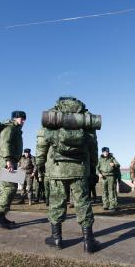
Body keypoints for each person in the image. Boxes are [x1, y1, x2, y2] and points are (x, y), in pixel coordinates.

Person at [37, 96, 100, 253]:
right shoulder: (85, 117)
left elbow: (42, 141)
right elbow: (93, 145)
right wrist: (92, 165)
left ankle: (56, 238)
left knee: (57, 203)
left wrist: (40, 162)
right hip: (80, 168)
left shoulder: (53, 115)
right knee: (83, 203)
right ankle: (88, 242)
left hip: (57, 169)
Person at [0, 111, 26, 229]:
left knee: (10, 188)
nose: (24, 121)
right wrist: (8, 160)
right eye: (22, 119)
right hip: (7, 160)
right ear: (15, 118)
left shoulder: (14, 128)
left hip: (10, 160)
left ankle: (1, 216)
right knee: (9, 188)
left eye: (25, 119)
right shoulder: (10, 128)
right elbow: (5, 143)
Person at [96, 147, 120, 211]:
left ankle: (112, 206)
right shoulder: (100, 159)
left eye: (107, 152)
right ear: (102, 152)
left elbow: (118, 164)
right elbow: (96, 168)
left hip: (111, 176)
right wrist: (99, 174)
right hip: (103, 177)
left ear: (108, 152)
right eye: (104, 152)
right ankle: (105, 205)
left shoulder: (112, 158)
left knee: (111, 191)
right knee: (104, 191)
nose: (106, 153)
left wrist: (114, 164)